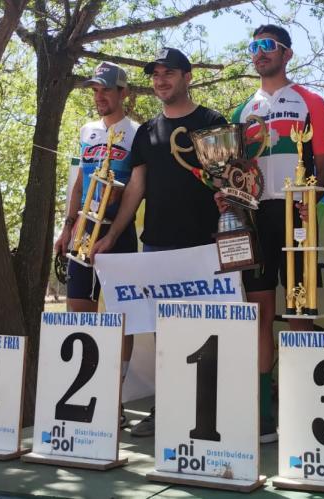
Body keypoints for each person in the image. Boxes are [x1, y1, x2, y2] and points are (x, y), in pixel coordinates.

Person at [91, 48, 227, 437]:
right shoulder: (147, 132)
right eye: (155, 74)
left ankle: (204, 411)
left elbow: (225, 182)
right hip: (156, 248)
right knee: (165, 333)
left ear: (188, 77)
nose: (161, 80)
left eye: (169, 73)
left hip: (204, 246)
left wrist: (229, 233)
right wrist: (113, 235)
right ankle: (166, 405)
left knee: (205, 332)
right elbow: (135, 187)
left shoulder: (211, 122)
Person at [215, 24, 324, 443]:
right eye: (255, 47)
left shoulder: (310, 102)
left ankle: (302, 410)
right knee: (261, 313)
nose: (260, 53)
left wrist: (309, 204)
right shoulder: (242, 111)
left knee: (300, 312)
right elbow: (229, 170)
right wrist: (227, 195)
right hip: (254, 216)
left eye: (269, 46)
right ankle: (264, 414)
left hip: (297, 212)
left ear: (287, 54)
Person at [54, 61, 139, 430]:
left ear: (124, 93)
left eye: (106, 89)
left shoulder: (138, 132)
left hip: (118, 231)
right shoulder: (87, 130)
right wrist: (67, 225)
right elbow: (78, 182)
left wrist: (115, 234)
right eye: (95, 89)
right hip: (84, 230)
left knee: (121, 315)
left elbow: (137, 187)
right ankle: (87, 395)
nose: (99, 96)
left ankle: (114, 398)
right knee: (79, 306)